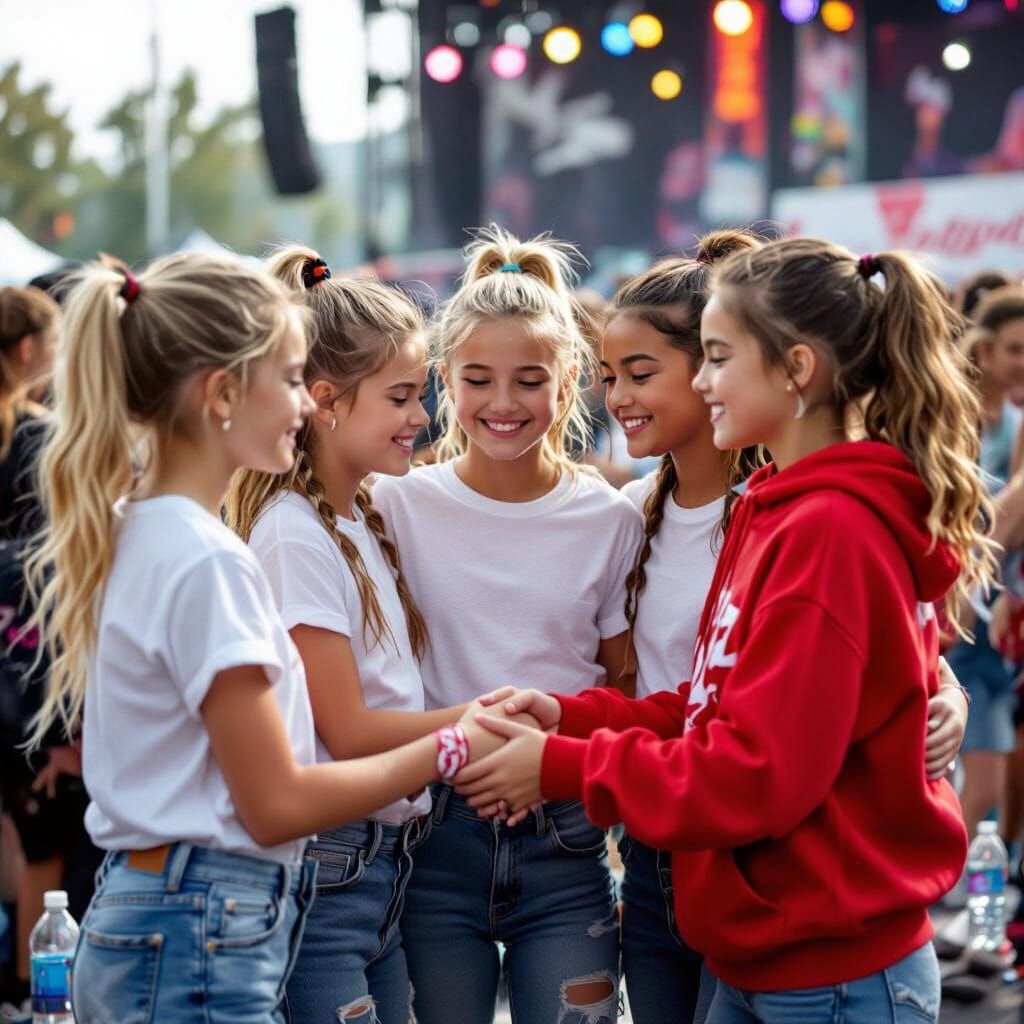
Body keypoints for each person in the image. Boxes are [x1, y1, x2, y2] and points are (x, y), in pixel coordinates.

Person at [459, 238, 993, 1024]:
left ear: (797, 370)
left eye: (715, 357)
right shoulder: (773, 509)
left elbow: (755, 772)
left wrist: (567, 766)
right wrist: (570, 717)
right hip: (767, 955)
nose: (702, 380)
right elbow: (715, 707)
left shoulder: (830, 531)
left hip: (830, 968)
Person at [24, 253, 522, 1023]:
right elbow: (277, 800)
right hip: (198, 917)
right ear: (222, 393)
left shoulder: (157, 534)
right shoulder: (205, 557)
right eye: (291, 379)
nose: (306, 401)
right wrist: (456, 743)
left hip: (182, 911)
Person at [226, 247, 517, 1024]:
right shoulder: (293, 533)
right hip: (332, 873)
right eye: (401, 397)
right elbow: (348, 730)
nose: (423, 417)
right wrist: (481, 723)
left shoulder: (361, 515)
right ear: (324, 401)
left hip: (381, 868)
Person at [373, 227, 642, 1024]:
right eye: (477, 379)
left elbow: (621, 681)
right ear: (442, 380)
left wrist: (562, 768)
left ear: (568, 383)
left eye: (529, 380)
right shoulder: (397, 506)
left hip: (565, 843)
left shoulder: (608, 516)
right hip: (431, 836)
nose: (502, 404)